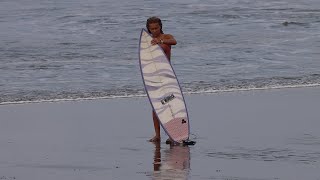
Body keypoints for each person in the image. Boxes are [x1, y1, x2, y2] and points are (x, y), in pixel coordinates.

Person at [145, 16, 177, 142]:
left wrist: (160, 42)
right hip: (154, 77)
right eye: (151, 29)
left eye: (156, 28)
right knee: (155, 107)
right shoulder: (147, 41)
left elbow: (174, 42)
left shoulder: (166, 37)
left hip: (167, 76)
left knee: (169, 104)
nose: (154, 31)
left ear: (160, 27)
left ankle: (172, 134)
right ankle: (157, 135)